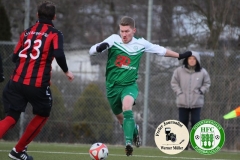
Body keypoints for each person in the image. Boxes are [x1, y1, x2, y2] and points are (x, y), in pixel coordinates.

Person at [89, 16, 192, 156]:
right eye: (122, 31)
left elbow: (160, 50)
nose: (124, 34)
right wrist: (99, 48)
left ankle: (128, 144)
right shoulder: (113, 39)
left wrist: (179, 55)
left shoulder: (141, 43)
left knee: (127, 107)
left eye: (127, 31)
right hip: (112, 87)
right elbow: (91, 50)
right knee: (121, 118)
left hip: (129, 86)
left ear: (134, 30)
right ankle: (135, 131)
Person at [0, 1, 74, 160]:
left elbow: (14, 57)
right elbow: (59, 54)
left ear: (37, 15)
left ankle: (18, 151)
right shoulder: (55, 34)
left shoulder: (26, 32)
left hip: (16, 82)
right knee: (43, 113)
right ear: (54, 16)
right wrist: (67, 71)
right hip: (37, 84)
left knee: (11, 117)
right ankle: (18, 151)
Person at [170, 51, 211, 149]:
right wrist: (179, 92)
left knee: (195, 122)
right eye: (190, 59)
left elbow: (207, 83)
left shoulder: (202, 72)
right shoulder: (179, 71)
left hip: (197, 102)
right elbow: (174, 83)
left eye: (194, 59)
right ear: (186, 60)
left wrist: (201, 91)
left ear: (197, 61)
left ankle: (194, 144)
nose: (192, 61)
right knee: (183, 122)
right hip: (182, 102)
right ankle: (183, 144)